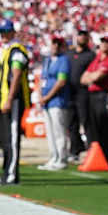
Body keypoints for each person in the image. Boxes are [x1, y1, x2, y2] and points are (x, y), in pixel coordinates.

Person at [0, 20, 31, 186]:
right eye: (1, 31)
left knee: (13, 138)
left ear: (12, 33)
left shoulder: (16, 52)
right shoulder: (8, 50)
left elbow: (15, 76)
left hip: (12, 100)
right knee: (6, 138)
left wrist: (9, 99)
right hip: (5, 100)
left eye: (5, 32)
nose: (2, 35)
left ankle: (11, 174)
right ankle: (7, 171)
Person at [81, 35, 108, 163]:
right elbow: (84, 78)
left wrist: (91, 77)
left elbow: (97, 77)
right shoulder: (97, 59)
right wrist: (91, 77)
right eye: (102, 42)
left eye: (106, 42)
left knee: (105, 127)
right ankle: (98, 155)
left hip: (103, 95)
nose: (103, 45)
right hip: (92, 96)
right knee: (94, 127)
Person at [37, 36, 71, 171]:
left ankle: (61, 158)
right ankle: (53, 156)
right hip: (46, 101)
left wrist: (47, 96)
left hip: (57, 100)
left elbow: (61, 81)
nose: (55, 46)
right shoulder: (47, 60)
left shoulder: (63, 60)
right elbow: (41, 79)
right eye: (53, 43)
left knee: (59, 131)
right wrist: (40, 95)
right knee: (50, 132)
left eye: (58, 44)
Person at [66, 28, 96, 162]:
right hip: (70, 92)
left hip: (84, 93)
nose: (82, 38)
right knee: (72, 123)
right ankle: (75, 150)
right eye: (80, 36)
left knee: (86, 121)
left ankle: (91, 150)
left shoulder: (90, 55)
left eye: (84, 36)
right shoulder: (70, 54)